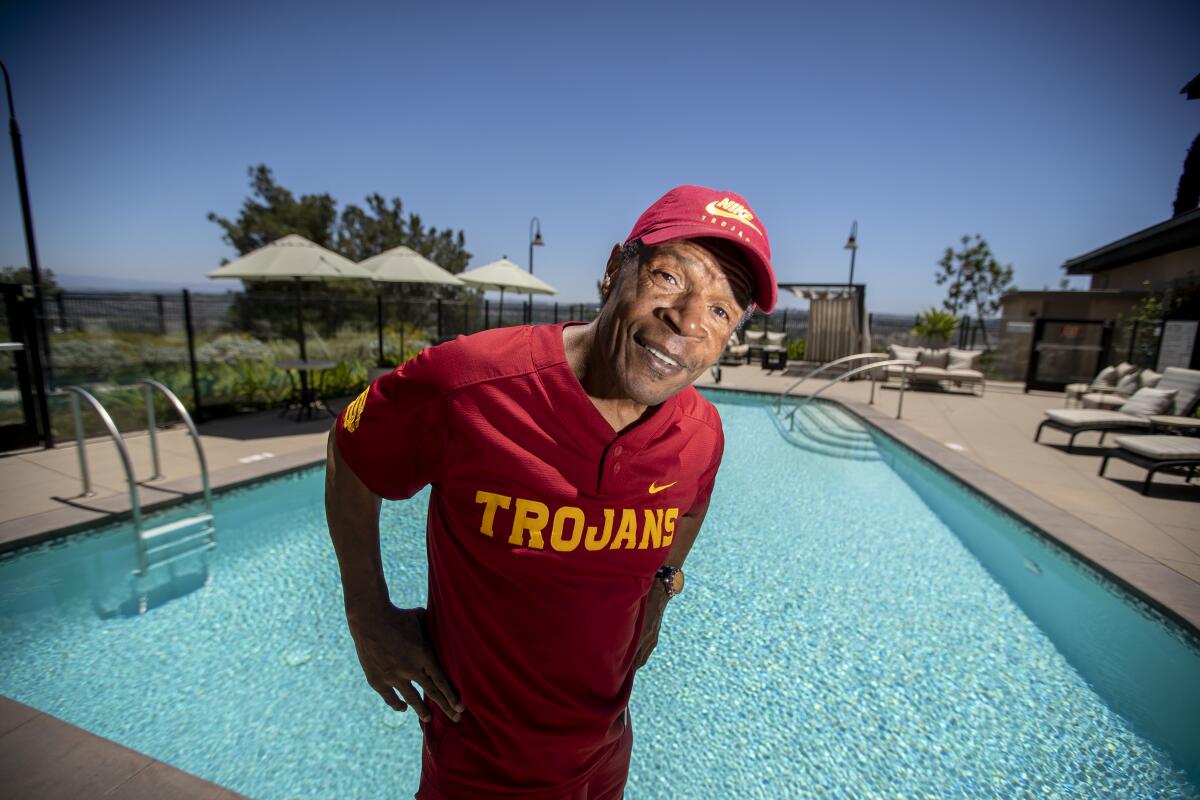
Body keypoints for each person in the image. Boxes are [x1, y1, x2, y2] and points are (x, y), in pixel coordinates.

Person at [325, 185, 778, 799]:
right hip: (481, 770)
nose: (690, 321)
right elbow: (351, 453)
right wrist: (367, 616)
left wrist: (663, 587)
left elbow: (692, 503)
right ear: (617, 267)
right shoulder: (470, 384)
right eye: (671, 278)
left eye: (723, 311)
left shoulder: (700, 433)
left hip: (604, 754)